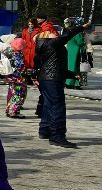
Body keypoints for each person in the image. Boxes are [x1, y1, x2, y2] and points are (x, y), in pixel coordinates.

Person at [35, 18, 84, 148]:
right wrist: (81, 27)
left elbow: (55, 65)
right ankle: (57, 136)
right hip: (52, 80)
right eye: (53, 32)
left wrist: (72, 74)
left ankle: (45, 130)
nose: (55, 34)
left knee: (47, 104)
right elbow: (67, 36)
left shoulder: (45, 45)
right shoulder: (50, 43)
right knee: (57, 107)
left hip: (47, 78)